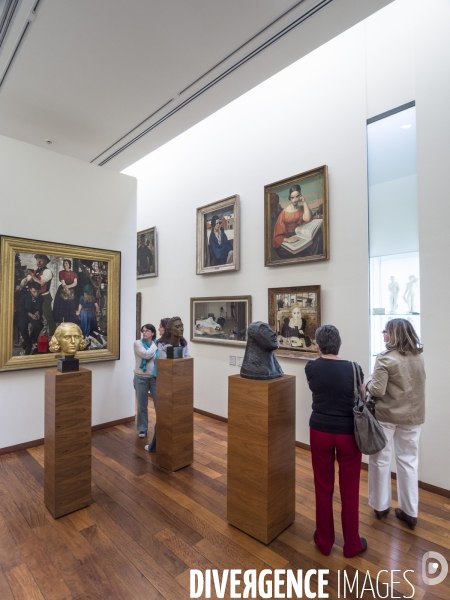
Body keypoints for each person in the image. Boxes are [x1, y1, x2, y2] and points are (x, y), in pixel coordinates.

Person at [305, 324, 367, 558]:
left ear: (318, 346)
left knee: (323, 487)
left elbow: (315, 389)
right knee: (350, 491)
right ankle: (352, 545)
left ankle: (324, 541)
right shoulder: (354, 368)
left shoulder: (311, 367)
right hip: (348, 433)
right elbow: (361, 394)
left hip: (319, 430)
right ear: (339, 344)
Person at [366, 319, 425, 530]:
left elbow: (377, 391)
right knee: (408, 462)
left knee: (380, 460)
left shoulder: (385, 359)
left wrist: (368, 382)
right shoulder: (418, 358)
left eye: (386, 332)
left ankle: (380, 507)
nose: (383, 335)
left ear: (395, 334)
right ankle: (410, 512)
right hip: (413, 417)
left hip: (387, 416)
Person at [272, 185, 323, 259]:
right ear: (290, 197)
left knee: (318, 234)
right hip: (289, 237)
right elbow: (277, 235)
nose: (295, 200)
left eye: (297, 196)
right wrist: (288, 240)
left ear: (300, 196)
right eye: (292, 197)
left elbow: (307, 218)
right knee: (291, 251)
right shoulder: (284, 213)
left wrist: (304, 201)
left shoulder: (301, 208)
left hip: (300, 234)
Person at [17, 254, 56, 335]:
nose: (38, 261)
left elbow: (41, 283)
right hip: (35, 297)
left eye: (40, 260)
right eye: (37, 259)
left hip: (44, 296)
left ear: (45, 262)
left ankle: (53, 335)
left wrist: (32, 275)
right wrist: (21, 285)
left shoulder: (47, 272)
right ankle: (34, 337)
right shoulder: (35, 271)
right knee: (34, 316)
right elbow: (26, 279)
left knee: (48, 316)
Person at [134, 324, 158, 444]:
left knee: (159, 405)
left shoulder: (159, 344)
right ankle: (143, 428)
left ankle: (161, 427)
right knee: (142, 405)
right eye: (143, 331)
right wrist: (154, 346)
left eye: (147, 331)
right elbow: (146, 354)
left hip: (154, 378)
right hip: (141, 378)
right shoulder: (138, 343)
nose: (144, 333)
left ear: (153, 333)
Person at [16, 282, 44, 355]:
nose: (36, 294)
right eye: (34, 291)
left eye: (38, 291)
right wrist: (29, 314)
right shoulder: (24, 297)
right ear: (30, 290)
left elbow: (40, 308)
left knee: (39, 325)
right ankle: (29, 345)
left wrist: (38, 313)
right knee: (23, 328)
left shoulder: (41, 298)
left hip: (33, 314)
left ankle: (29, 341)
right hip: (24, 314)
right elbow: (20, 308)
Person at [53, 259, 78, 324]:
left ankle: (70, 323)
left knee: (71, 307)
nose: (65, 265)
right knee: (62, 307)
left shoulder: (74, 273)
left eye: (66, 263)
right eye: (64, 263)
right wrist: (66, 289)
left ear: (69, 264)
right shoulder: (61, 272)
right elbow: (63, 283)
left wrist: (69, 288)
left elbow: (75, 283)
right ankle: (62, 323)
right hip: (63, 290)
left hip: (71, 290)